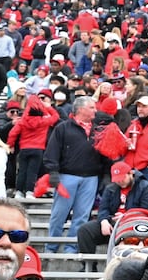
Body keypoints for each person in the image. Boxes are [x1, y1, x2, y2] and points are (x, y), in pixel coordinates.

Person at [43, 95, 108, 242]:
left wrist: (105, 175)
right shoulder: (63, 128)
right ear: (81, 109)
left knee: (82, 216)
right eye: (91, 107)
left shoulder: (99, 129)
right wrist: (53, 172)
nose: (95, 111)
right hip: (67, 176)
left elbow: (106, 154)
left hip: (91, 177)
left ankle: (72, 248)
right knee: (59, 214)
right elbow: (52, 151)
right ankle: (52, 247)